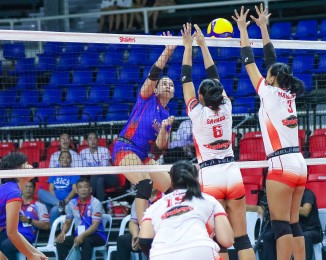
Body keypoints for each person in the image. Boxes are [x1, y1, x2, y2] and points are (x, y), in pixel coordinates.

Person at [233, 4, 307, 260]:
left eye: (268, 74)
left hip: (282, 163)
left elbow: (248, 60)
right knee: (294, 222)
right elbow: (271, 59)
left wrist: (243, 30)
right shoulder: (289, 92)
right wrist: (263, 27)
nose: (265, 73)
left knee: (280, 224)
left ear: (272, 78)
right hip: (299, 162)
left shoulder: (267, 90)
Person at [180, 23, 256, 259]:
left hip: (210, 176)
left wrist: (188, 45)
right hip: (231, 171)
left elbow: (185, 77)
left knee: (219, 241)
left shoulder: (197, 112)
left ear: (200, 97)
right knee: (242, 238)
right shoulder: (227, 107)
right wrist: (204, 46)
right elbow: (214, 77)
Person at [112, 32, 176, 222]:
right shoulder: (146, 98)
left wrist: (164, 129)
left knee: (173, 189)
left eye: (171, 85)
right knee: (145, 183)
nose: (167, 86)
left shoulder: (167, 116)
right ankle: (142, 227)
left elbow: (157, 149)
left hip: (144, 156)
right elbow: (154, 74)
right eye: (164, 83)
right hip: (125, 147)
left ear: (173, 94)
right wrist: (168, 51)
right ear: (156, 88)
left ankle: (174, 219)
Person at [138, 160, 234, 259]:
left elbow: (144, 240)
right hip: (199, 250)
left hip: (161, 254)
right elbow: (227, 240)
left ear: (171, 181)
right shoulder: (209, 200)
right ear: (197, 178)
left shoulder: (156, 206)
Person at [0, 152, 47, 260]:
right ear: (18, 169)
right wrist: (30, 256)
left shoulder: (8, 188)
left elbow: (14, 233)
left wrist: (36, 252)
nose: (31, 166)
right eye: (26, 163)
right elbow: (12, 233)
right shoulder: (14, 194)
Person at [261, 188, 323, 260]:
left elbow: (306, 211)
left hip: (311, 230)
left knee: (305, 236)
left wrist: (286, 206)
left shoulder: (307, 193)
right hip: (292, 230)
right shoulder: (285, 196)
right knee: (268, 236)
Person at [56, 178, 106, 260]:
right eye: (80, 187)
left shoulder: (95, 203)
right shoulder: (72, 203)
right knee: (61, 242)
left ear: (90, 190)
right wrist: (63, 232)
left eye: (86, 187)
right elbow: (68, 222)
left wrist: (82, 236)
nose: (83, 189)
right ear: (76, 190)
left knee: (86, 241)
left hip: (97, 235)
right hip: (78, 234)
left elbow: (95, 226)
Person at [39, 151, 80, 225]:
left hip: (67, 202)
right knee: (40, 192)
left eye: (67, 157)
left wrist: (66, 200)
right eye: (63, 157)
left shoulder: (74, 172)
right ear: (59, 160)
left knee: (54, 210)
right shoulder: (55, 171)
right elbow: (51, 188)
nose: (65, 159)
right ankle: (58, 204)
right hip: (55, 201)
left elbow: (74, 190)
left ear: (70, 160)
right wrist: (56, 201)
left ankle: (54, 232)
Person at [80, 132, 119, 202]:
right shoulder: (83, 153)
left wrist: (92, 171)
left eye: (94, 139)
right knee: (100, 180)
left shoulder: (104, 150)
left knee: (97, 176)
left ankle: (88, 201)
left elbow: (104, 169)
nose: (92, 141)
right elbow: (85, 170)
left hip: (110, 177)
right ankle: (100, 204)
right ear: (86, 141)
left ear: (98, 141)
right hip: (96, 179)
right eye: (90, 139)